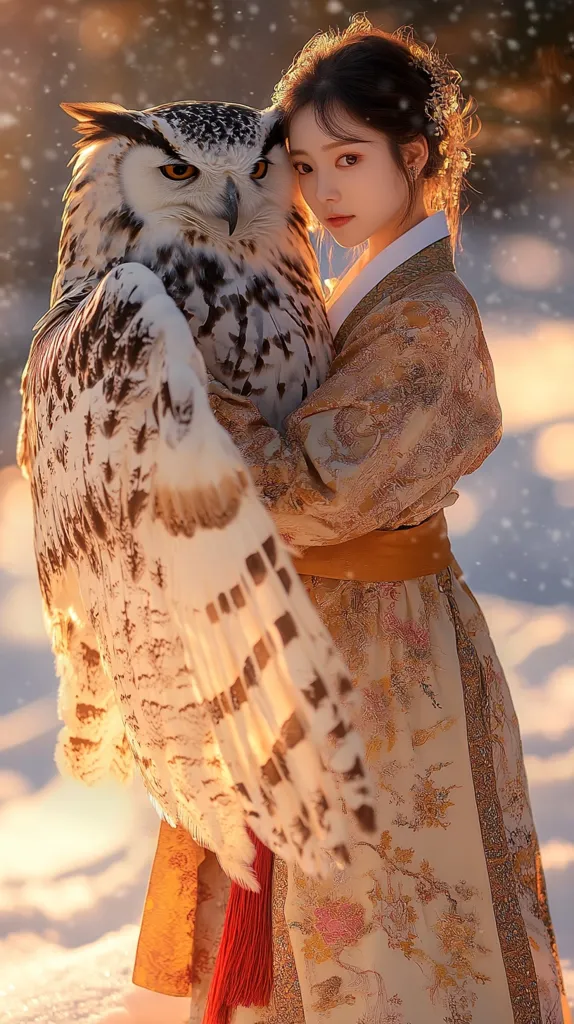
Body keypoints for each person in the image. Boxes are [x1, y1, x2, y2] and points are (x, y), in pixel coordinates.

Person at [133, 17, 570, 1024]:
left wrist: (197, 399)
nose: (325, 189)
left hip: (383, 651)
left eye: (349, 158)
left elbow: (315, 493)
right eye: (305, 165)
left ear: (411, 157)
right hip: (328, 637)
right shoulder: (348, 295)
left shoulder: (427, 320)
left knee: (379, 929)